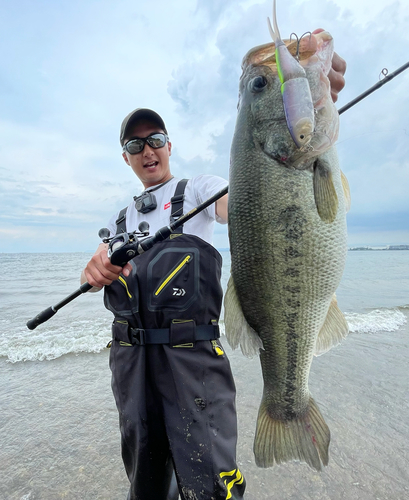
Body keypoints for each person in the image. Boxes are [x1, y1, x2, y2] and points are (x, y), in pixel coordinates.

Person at [82, 50, 346, 500]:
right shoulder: (119, 219)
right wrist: (95, 269)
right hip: (132, 368)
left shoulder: (201, 189)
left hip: (193, 364)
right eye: (134, 145)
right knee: (146, 478)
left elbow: (243, 203)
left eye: (156, 139)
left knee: (210, 480)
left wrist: (309, 108)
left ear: (170, 145)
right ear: (125, 157)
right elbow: (96, 273)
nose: (147, 150)